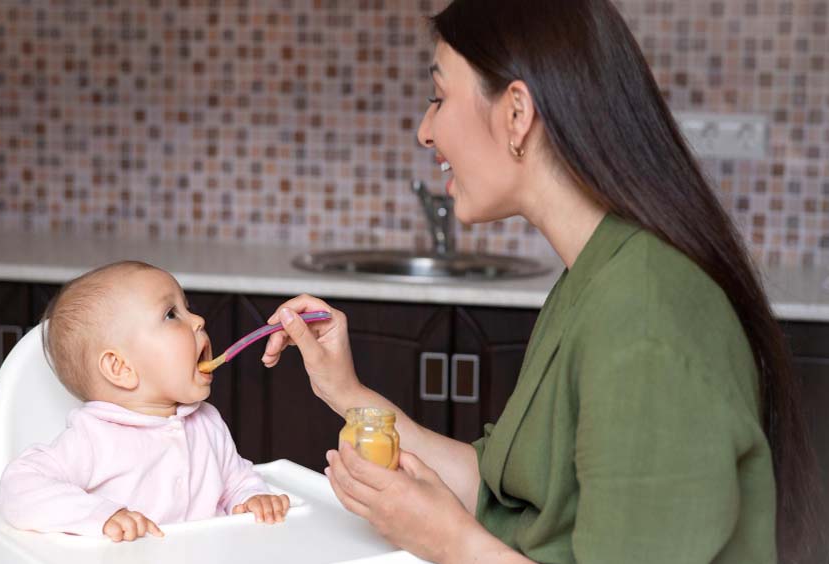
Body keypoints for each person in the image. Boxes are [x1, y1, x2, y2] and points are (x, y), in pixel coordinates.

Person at [260, 0, 822, 562]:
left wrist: (445, 539)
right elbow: (510, 493)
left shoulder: (647, 314)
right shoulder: (600, 271)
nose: (424, 131)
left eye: (439, 98)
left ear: (516, 113)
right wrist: (345, 393)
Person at [0, 261, 290, 542]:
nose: (199, 321)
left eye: (188, 308)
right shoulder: (95, 438)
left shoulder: (208, 423)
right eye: (171, 315)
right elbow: (18, 487)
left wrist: (252, 498)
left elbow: (236, 480)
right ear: (120, 368)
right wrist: (101, 516)